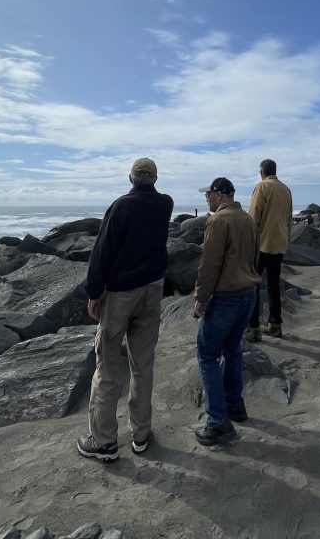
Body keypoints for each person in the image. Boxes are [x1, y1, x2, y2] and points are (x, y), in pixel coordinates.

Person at [77, 158, 174, 462]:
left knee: (107, 365)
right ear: (155, 179)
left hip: (122, 294)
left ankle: (104, 441)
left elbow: (102, 251)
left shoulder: (121, 206)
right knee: (142, 365)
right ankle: (141, 434)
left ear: (131, 177)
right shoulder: (166, 204)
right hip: (152, 290)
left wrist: (93, 293)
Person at [194, 176, 260, 445]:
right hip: (248, 294)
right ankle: (235, 407)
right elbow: (255, 256)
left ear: (220, 195)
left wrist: (201, 298)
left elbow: (209, 264)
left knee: (207, 356)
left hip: (225, 297)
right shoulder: (247, 219)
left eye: (208, 194)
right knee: (233, 350)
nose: (207, 199)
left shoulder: (218, 221)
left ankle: (218, 422)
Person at [246, 159, 293, 341]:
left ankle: (254, 328)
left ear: (261, 172)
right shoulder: (285, 189)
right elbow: (289, 218)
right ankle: (275, 325)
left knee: (253, 285)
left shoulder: (262, 187)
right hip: (279, 244)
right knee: (274, 285)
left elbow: (253, 217)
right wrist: (286, 240)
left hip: (261, 245)